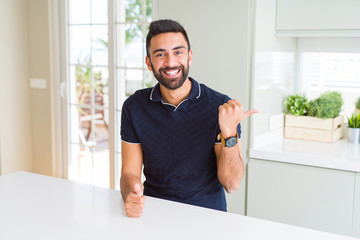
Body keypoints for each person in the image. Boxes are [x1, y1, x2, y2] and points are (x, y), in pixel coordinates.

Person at [120, 19, 258, 218]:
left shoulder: (219, 107)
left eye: (178, 52)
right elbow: (128, 173)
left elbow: (231, 184)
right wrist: (129, 195)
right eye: (160, 54)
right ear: (148, 62)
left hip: (208, 217)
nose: (170, 62)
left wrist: (229, 132)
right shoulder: (134, 107)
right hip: (155, 214)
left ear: (189, 57)